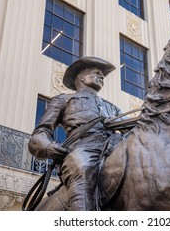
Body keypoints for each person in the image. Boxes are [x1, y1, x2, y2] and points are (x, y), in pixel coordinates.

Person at [28, 56, 123, 210]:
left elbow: (132, 126)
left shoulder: (112, 108)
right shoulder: (63, 100)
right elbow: (40, 133)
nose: (101, 77)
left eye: (102, 76)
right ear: (81, 77)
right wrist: (47, 146)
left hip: (112, 149)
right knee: (83, 166)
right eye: (97, 73)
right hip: (82, 151)